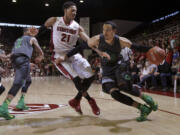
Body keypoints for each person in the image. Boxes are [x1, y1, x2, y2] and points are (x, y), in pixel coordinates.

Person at [88, 21, 158, 122]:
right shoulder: (98, 39)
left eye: (108, 30)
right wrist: (98, 51)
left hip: (119, 67)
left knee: (126, 88)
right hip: (107, 71)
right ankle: (143, 108)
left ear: (114, 31)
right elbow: (88, 44)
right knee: (114, 94)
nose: (105, 32)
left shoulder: (121, 41)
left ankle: (149, 100)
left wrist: (152, 49)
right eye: (103, 29)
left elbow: (137, 47)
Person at [44, 1, 100, 115]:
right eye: (72, 10)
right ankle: (90, 100)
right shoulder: (54, 20)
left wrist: (99, 50)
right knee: (77, 79)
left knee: (91, 76)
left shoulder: (77, 27)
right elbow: (41, 29)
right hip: (59, 56)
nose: (74, 13)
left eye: (76, 11)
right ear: (65, 10)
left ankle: (76, 101)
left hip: (73, 55)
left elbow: (88, 41)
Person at [0, 27, 44, 120]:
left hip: (16, 60)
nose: (33, 31)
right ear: (26, 31)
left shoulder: (18, 40)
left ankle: (21, 102)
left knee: (28, 80)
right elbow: (39, 49)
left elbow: (12, 53)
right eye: (31, 30)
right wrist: (41, 55)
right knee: (18, 83)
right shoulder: (31, 38)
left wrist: (6, 57)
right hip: (23, 60)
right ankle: (3, 108)